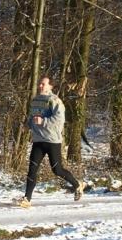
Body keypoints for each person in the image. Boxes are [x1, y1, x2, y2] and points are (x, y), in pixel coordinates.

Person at [15, 76, 84, 208]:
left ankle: (77, 184)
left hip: (52, 141)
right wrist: (27, 125)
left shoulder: (55, 101)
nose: (40, 86)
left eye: (43, 84)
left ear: (51, 87)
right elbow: (32, 117)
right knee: (32, 169)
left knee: (57, 170)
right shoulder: (35, 100)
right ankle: (27, 199)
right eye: (40, 84)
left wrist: (43, 121)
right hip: (38, 141)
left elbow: (59, 120)